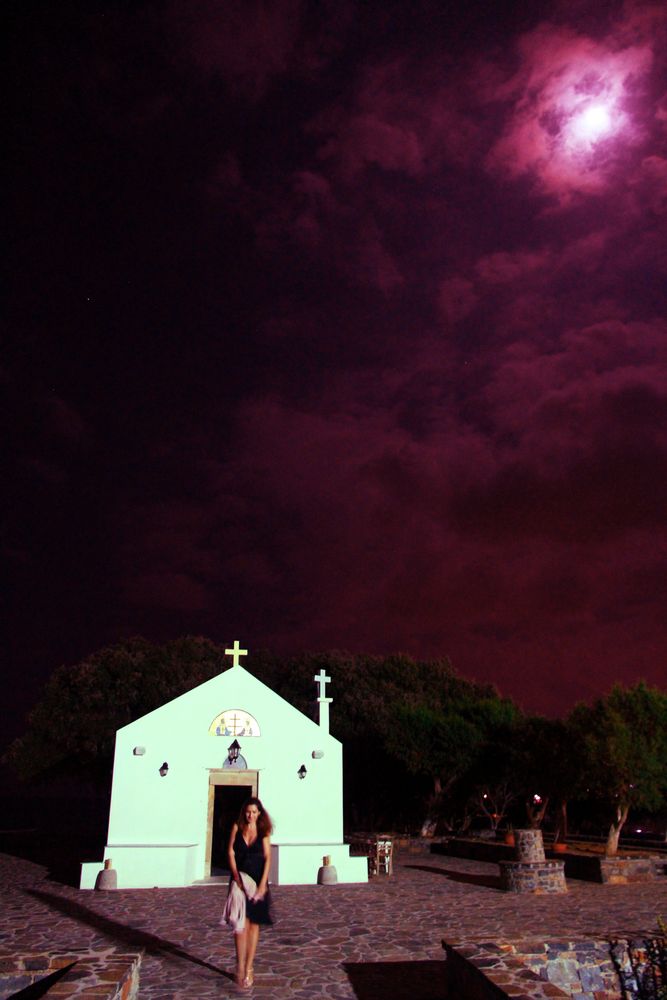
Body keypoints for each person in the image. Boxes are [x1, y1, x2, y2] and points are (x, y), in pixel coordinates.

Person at [227, 796, 273, 988]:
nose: (251, 815)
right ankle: (240, 964)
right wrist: (236, 877)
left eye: (254, 812)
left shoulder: (263, 831)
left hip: (258, 883)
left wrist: (263, 885)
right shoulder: (237, 827)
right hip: (240, 882)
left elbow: (268, 857)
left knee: (254, 926)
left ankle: (249, 967)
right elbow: (230, 851)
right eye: (248, 811)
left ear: (259, 813)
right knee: (240, 926)